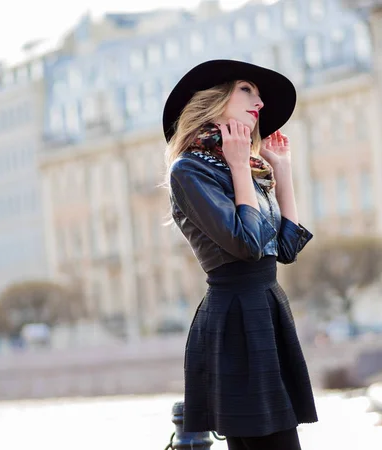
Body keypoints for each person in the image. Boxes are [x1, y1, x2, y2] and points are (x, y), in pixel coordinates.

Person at [163, 60, 318, 450]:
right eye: (247, 90)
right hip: (235, 317)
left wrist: (282, 172)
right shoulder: (190, 170)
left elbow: (285, 249)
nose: (260, 102)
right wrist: (238, 169)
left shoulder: (248, 168)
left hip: (266, 308)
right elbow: (247, 245)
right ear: (216, 99)